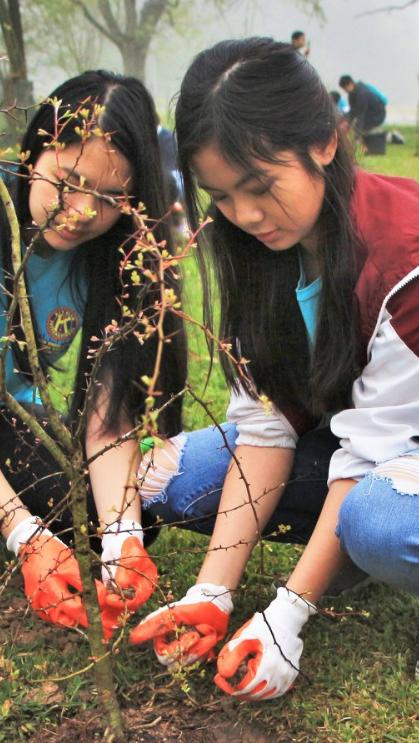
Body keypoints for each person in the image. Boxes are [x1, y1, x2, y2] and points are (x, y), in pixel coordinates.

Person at [131, 37, 419, 699]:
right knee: (169, 475)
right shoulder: (255, 252)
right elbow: (264, 429)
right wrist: (211, 593)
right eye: (222, 195)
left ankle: (357, 551)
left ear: (327, 141)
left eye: (260, 187)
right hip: (361, 441)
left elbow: (369, 454)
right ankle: (345, 551)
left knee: (379, 519)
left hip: (395, 452)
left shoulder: (404, 254)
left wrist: (288, 611)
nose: (245, 215)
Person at [0, 71, 188, 634]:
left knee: (117, 523)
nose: (79, 213)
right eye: (67, 181)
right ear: (34, 151)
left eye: (109, 199)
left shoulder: (119, 253)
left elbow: (108, 418)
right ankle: (1, 513)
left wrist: (122, 537)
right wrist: (25, 537)